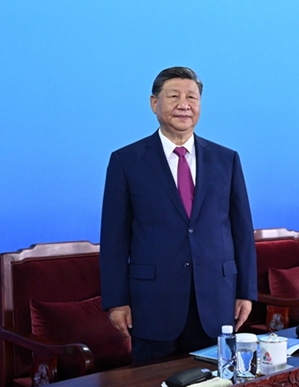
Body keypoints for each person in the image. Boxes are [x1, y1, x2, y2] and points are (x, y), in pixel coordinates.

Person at [100, 67, 257, 365]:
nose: (184, 105)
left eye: (192, 97)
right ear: (154, 103)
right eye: (174, 96)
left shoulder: (226, 159)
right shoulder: (126, 161)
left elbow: (241, 230)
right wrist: (117, 301)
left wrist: (246, 291)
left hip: (216, 300)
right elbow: (114, 239)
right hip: (153, 303)